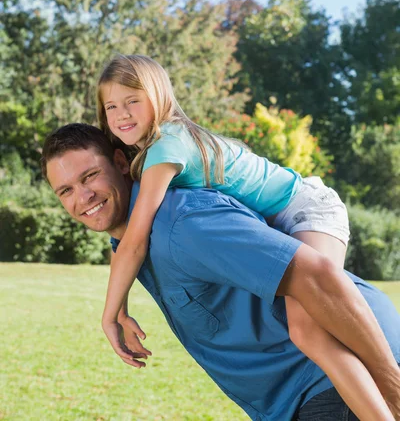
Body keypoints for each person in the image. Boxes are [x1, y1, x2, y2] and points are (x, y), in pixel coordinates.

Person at [95, 53, 396, 420]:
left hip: (306, 207)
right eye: (111, 106)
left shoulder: (165, 147)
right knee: (309, 331)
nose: (122, 114)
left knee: (308, 331)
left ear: (159, 97)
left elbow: (135, 241)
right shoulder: (156, 151)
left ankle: (392, 391)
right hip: (285, 217)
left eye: (132, 101)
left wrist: (112, 313)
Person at [42, 124, 400, 421]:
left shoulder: (183, 224)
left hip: (342, 373)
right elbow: (122, 249)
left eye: (90, 176)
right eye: (66, 191)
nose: (83, 197)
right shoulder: (131, 243)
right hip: (298, 391)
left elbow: (317, 274)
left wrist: (392, 387)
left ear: (121, 162)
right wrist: (115, 308)